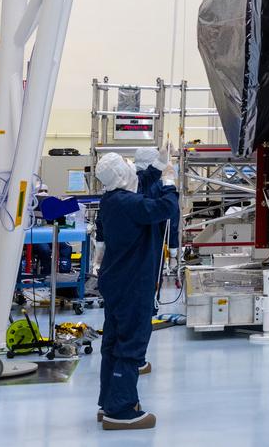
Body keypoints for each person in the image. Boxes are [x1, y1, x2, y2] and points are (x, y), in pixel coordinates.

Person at [95, 152, 180, 431]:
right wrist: (169, 183)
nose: (134, 173)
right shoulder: (130, 204)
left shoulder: (111, 200)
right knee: (131, 343)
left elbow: (138, 180)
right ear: (122, 177)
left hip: (117, 281)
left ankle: (109, 401)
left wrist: (157, 167)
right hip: (133, 284)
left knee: (113, 343)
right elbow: (165, 208)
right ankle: (120, 410)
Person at [132, 148, 181, 377]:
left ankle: (125, 358)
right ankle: (136, 359)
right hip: (150, 250)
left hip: (125, 257)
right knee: (144, 306)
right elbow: (172, 214)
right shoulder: (159, 186)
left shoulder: (128, 186)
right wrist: (173, 248)